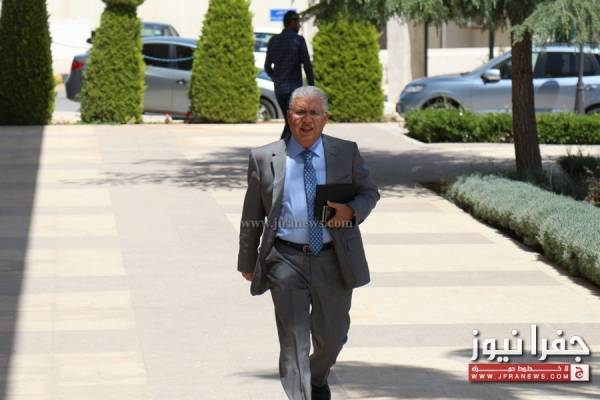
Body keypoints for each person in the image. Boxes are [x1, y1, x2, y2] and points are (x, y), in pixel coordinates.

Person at [237, 86, 379, 400]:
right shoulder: (264, 158)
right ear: (289, 116)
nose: (307, 119)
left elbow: (370, 192)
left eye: (314, 113)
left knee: (333, 338)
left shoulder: (345, 152)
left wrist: (351, 211)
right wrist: (247, 260)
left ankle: (316, 376)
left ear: (325, 119)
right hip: (285, 260)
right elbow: (252, 213)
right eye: (300, 112)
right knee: (293, 343)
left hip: (334, 259)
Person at [264, 11, 315, 140]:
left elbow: (267, 67)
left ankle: (288, 149)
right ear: (292, 22)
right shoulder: (298, 40)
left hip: (280, 90)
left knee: (291, 123)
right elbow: (307, 65)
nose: (299, 25)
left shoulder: (274, 41)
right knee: (293, 123)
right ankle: (281, 149)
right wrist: (312, 86)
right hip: (294, 90)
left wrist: (276, 79)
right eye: (298, 22)